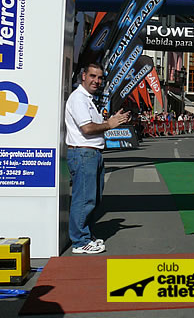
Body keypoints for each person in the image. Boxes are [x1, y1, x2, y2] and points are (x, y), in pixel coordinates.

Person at [65, 63, 130, 254]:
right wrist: (109, 124)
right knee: (84, 199)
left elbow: (93, 125)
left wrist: (111, 120)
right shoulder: (78, 99)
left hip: (92, 153)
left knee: (93, 198)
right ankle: (79, 241)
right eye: (93, 76)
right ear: (83, 76)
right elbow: (87, 128)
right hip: (84, 153)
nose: (97, 81)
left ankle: (85, 235)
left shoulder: (87, 99)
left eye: (100, 78)